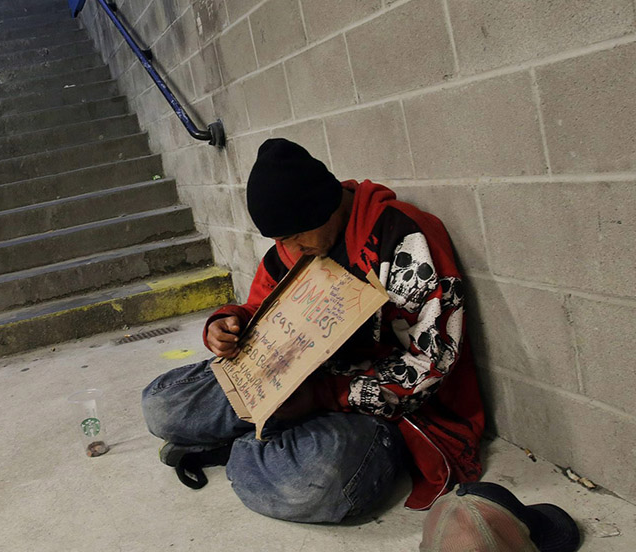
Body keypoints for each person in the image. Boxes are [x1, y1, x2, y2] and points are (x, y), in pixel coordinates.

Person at [142, 138, 485, 522]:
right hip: (290, 381)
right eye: (279, 238)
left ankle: (237, 447)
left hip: (374, 407)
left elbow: (433, 364)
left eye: (293, 235)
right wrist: (228, 323)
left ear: (326, 207)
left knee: (307, 484)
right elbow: (261, 307)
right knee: (161, 405)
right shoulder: (294, 247)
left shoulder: (405, 240)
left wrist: (320, 395)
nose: (286, 247)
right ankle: (266, 435)